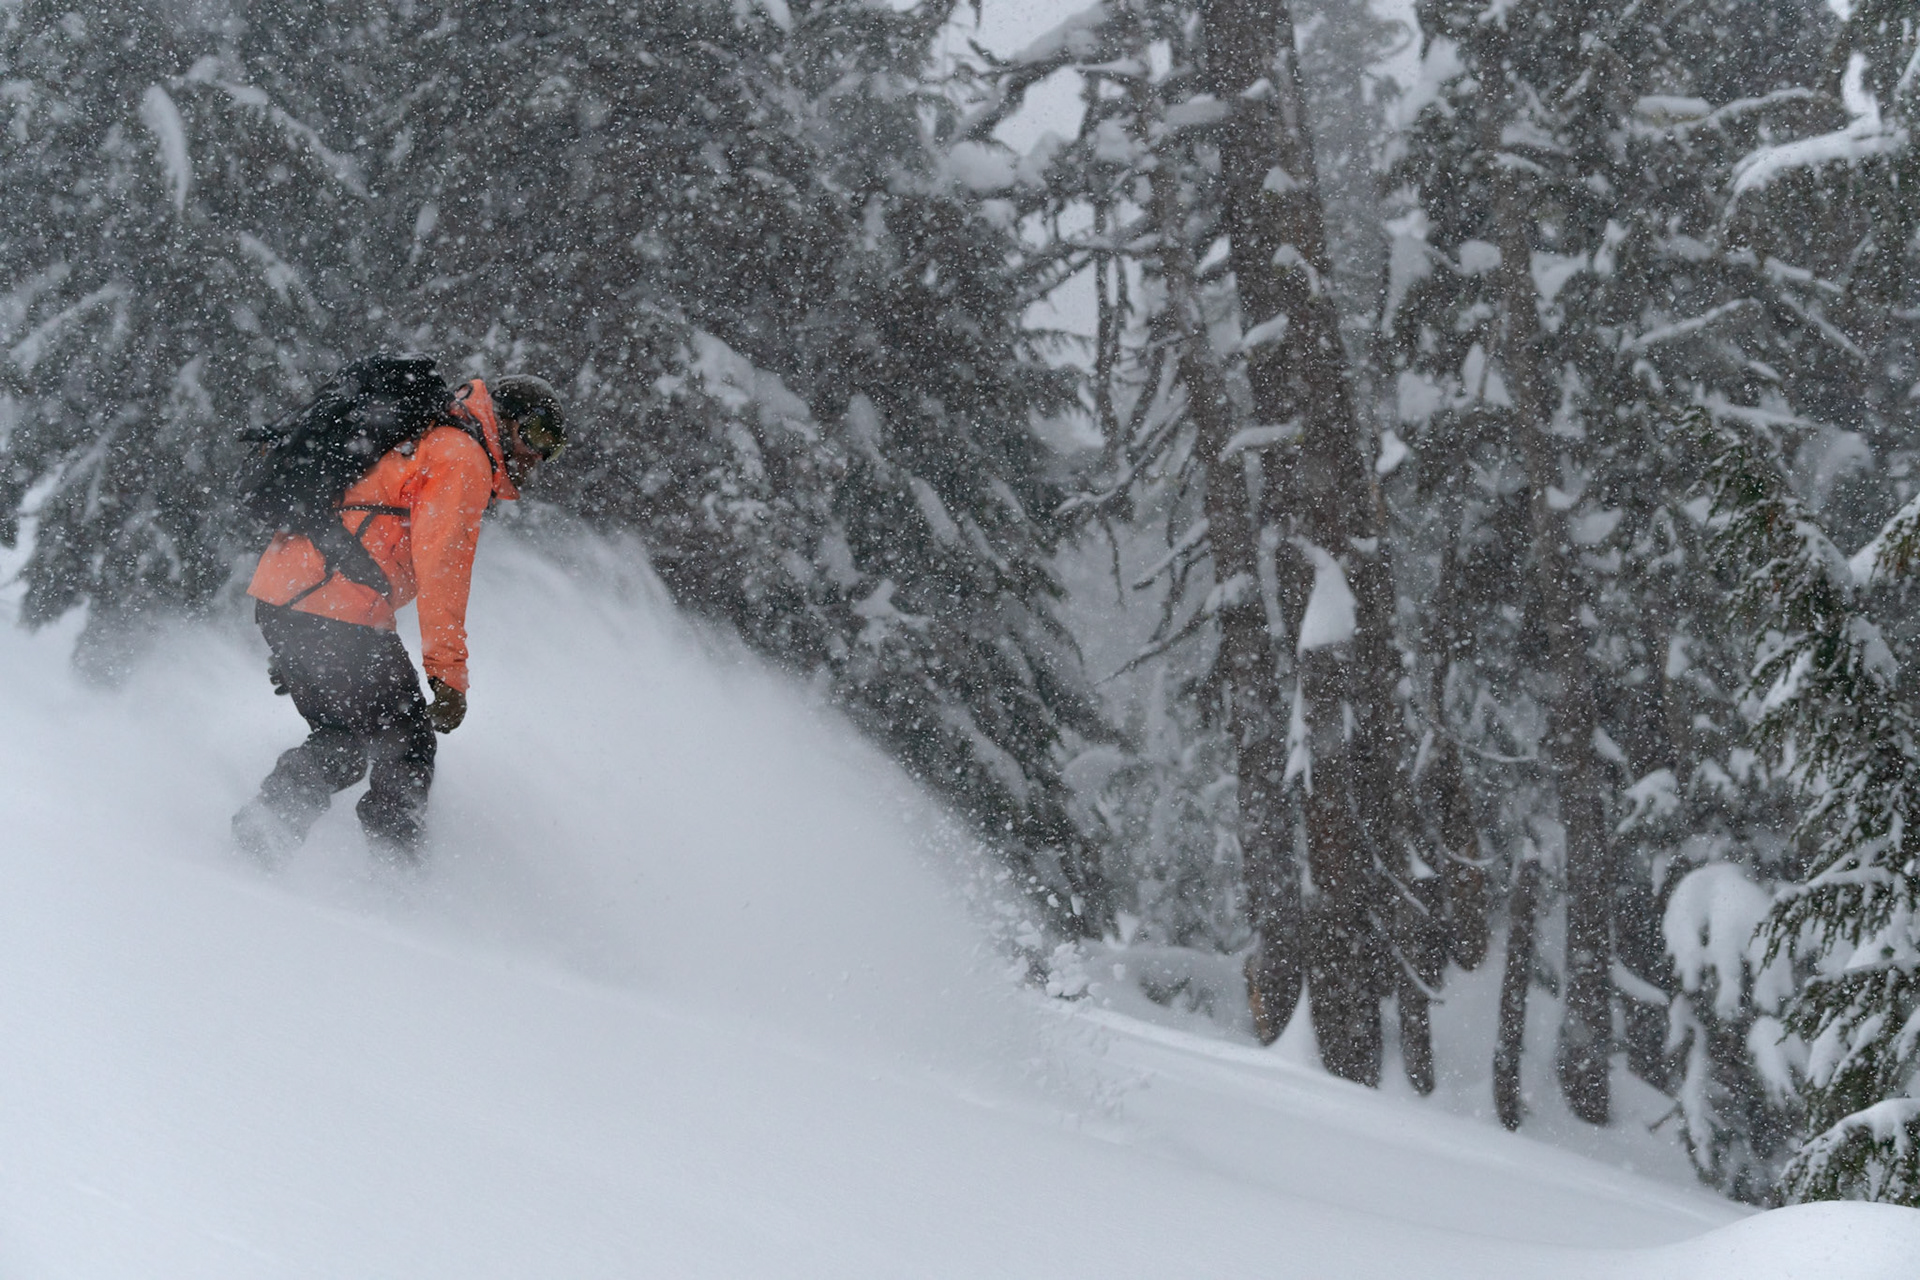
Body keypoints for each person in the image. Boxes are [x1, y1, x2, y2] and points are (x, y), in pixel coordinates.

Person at [231, 373, 566, 862]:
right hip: (330, 606)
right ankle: (395, 879)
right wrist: (447, 675)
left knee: (344, 743)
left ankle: (263, 834)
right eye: (536, 434)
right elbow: (442, 573)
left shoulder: (430, 437)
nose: (538, 454)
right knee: (405, 744)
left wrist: (298, 640)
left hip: (298, 599)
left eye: (551, 448)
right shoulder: (461, 456)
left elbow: (369, 538)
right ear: (508, 419)